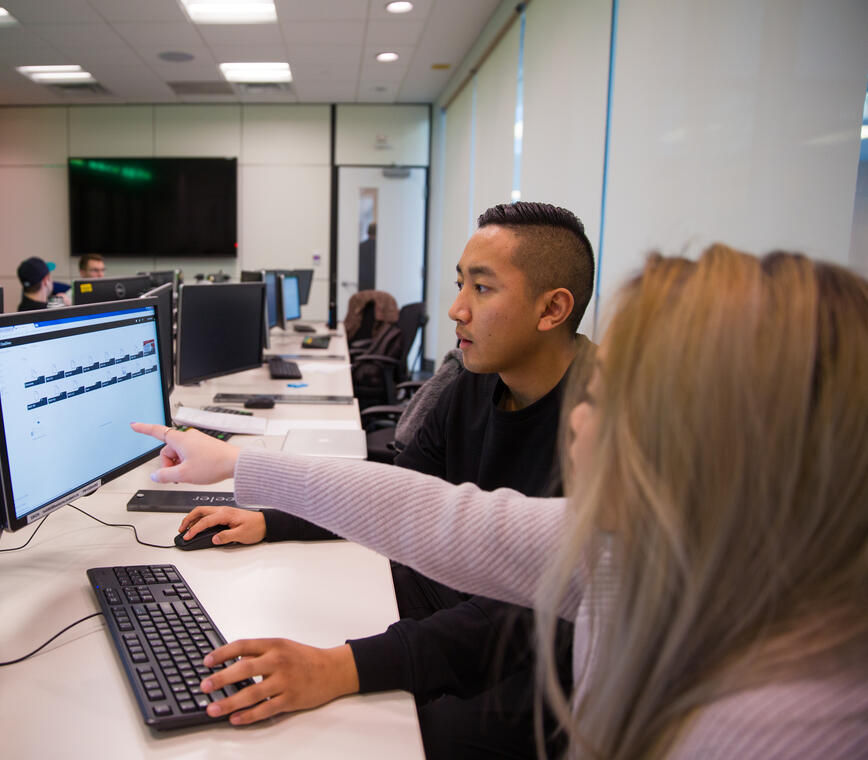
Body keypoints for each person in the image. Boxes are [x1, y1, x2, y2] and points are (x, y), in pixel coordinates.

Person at [134, 245, 868, 758]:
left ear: (725, 444)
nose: (582, 416)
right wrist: (240, 462)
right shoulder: (633, 547)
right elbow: (442, 515)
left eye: (614, 401)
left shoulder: (778, 724)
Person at [175, 201, 596, 758]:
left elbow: (522, 622)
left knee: (356, 738)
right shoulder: (475, 380)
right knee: (293, 597)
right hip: (451, 600)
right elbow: (402, 491)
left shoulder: (603, 428)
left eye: (482, 290)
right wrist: (269, 520)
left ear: (553, 309)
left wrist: (340, 667)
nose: (456, 310)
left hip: (528, 672)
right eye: (459, 285)